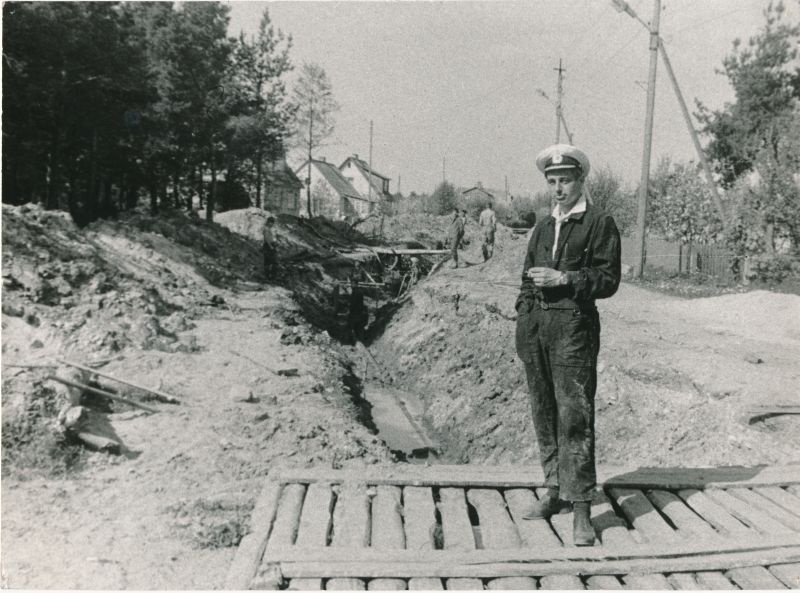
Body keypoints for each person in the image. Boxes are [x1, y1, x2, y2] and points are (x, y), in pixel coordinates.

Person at [514, 144, 621, 546]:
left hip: (574, 328)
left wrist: (565, 280)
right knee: (543, 411)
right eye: (552, 182)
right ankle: (554, 491)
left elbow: (608, 280)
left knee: (574, 417)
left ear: (581, 182)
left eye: (565, 181)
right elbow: (526, 277)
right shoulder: (543, 226)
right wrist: (524, 314)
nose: (558, 189)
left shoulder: (598, 222)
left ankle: (581, 510)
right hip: (537, 327)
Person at [262, 216, 277, 280]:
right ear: (268, 222)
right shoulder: (266, 229)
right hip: (268, 246)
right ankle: (268, 276)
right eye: (270, 222)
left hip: (271, 245)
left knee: (271, 262)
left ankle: (270, 276)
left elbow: (272, 238)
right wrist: (270, 246)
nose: (272, 224)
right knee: (269, 261)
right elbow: (266, 238)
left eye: (272, 223)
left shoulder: (270, 229)